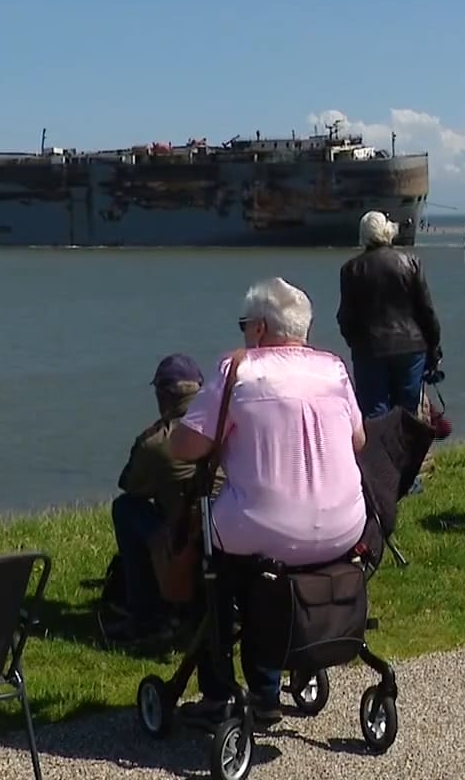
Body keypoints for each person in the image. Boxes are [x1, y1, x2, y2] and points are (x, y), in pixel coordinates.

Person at [171, 278, 369, 725]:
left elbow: (183, 448)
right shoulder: (334, 368)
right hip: (344, 527)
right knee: (266, 561)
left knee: (214, 573)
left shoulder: (237, 371)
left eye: (244, 325)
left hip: (267, 530)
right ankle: (271, 684)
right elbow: (358, 439)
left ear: (259, 329)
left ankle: (223, 691)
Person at [106, 354, 206, 642]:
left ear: (163, 395)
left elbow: (129, 484)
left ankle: (147, 615)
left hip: (185, 535)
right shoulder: (226, 429)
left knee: (125, 509)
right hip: (227, 529)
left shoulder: (157, 443)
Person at [337, 210, 443, 418]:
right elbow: (426, 310)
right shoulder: (411, 262)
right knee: (408, 411)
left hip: (370, 349)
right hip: (411, 348)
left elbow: (346, 317)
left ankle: (381, 449)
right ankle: (407, 449)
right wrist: (434, 347)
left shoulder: (351, 269)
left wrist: (356, 343)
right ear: (388, 231)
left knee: (375, 411)